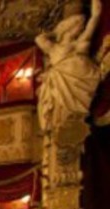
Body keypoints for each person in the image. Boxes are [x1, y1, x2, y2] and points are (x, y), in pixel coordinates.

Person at [36, 0, 103, 132]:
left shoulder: (80, 41)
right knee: (61, 116)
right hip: (61, 83)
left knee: (71, 118)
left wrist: (96, 14)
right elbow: (39, 39)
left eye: (82, 26)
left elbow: (94, 20)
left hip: (80, 81)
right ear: (68, 29)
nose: (81, 28)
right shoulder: (54, 48)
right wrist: (55, 33)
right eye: (78, 25)